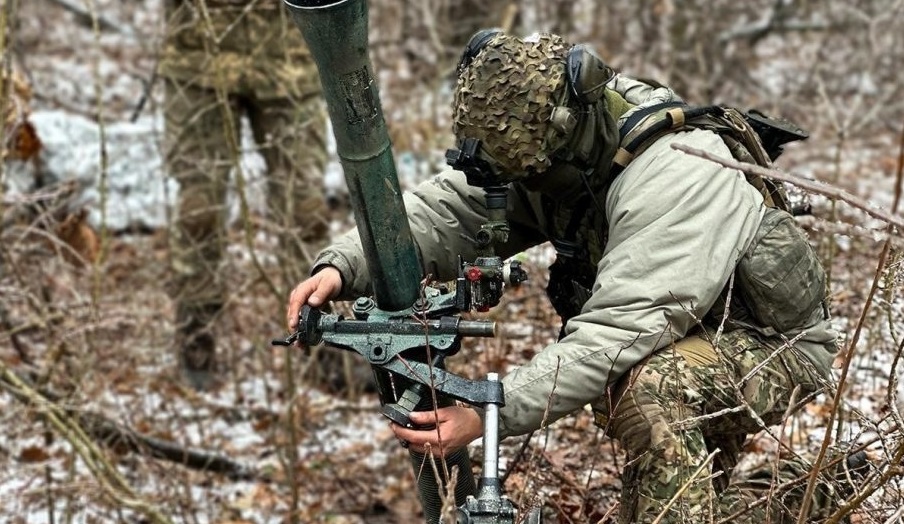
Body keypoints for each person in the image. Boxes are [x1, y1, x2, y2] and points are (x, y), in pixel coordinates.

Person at [286, 31, 854, 522]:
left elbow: (621, 330)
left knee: (647, 391)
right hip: (683, 327)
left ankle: (821, 489)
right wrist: (347, 263)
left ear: (565, 135)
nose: (520, 185)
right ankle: (804, 494)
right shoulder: (550, 144)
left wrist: (491, 411)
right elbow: (449, 211)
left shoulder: (678, 169)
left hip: (770, 344)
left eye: (528, 175)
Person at [160, 0, 329, 388]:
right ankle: (196, 336)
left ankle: (319, 333)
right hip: (198, 55)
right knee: (198, 211)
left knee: (306, 210)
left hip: (290, 56)